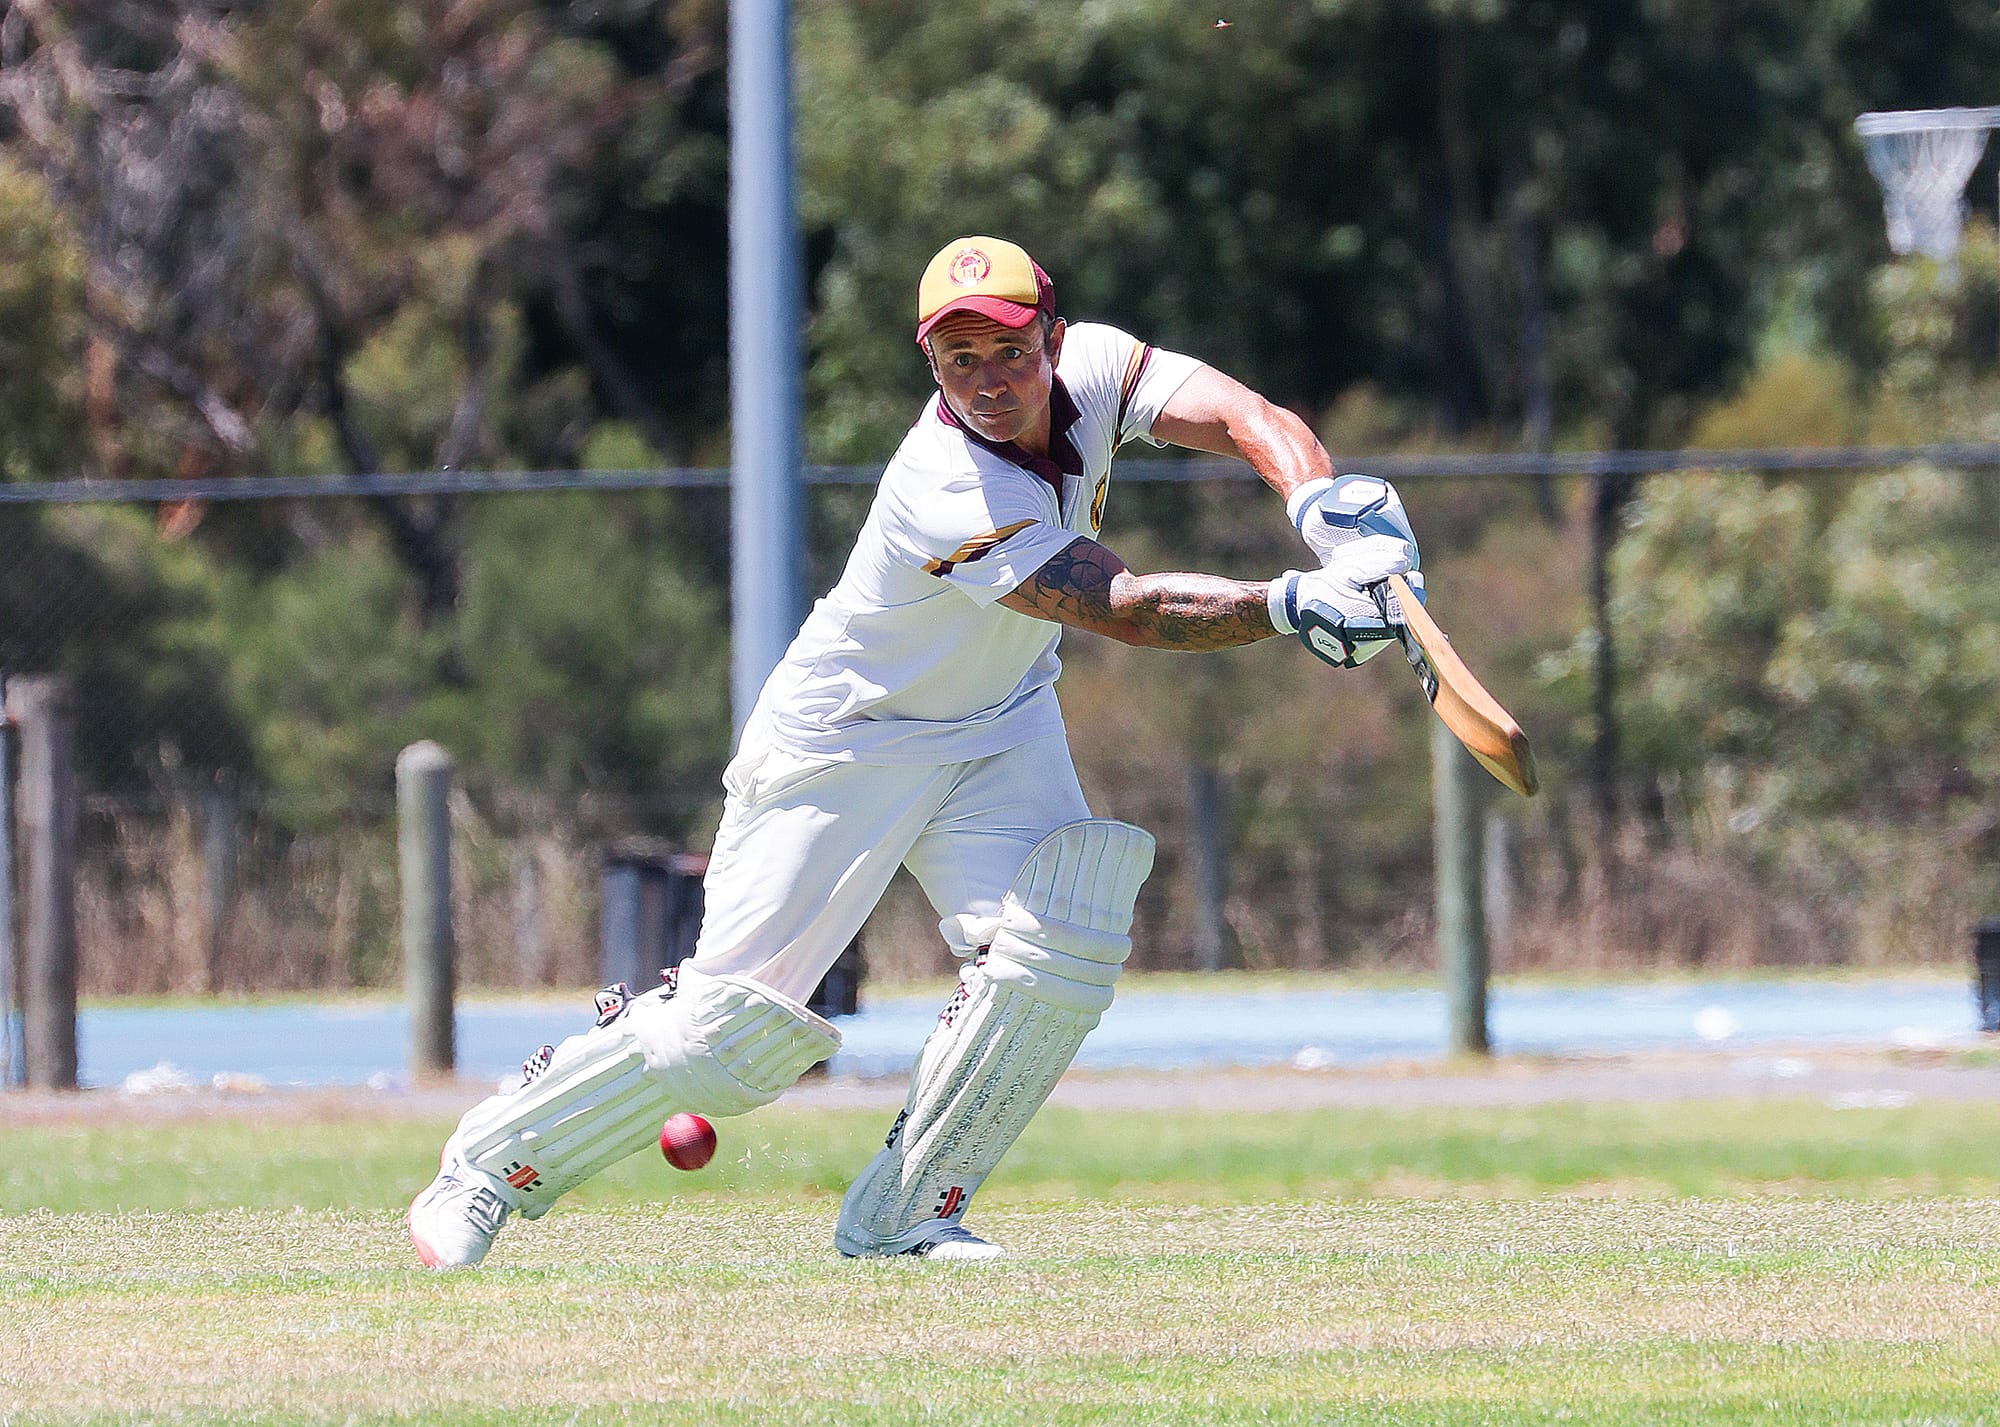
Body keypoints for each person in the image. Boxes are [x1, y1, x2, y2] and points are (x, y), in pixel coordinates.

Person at [408, 236, 1422, 1267]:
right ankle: (484, 1167)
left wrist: (1324, 511)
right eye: (957, 360)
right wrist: (1291, 604)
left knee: (1064, 939)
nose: (987, 382)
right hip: (847, 739)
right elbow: (1122, 606)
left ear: (1053, 338)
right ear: (931, 364)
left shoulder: (1099, 366)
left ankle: (905, 1212)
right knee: (724, 1037)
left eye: (1009, 352)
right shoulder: (945, 483)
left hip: (1000, 720)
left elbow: (1248, 415)